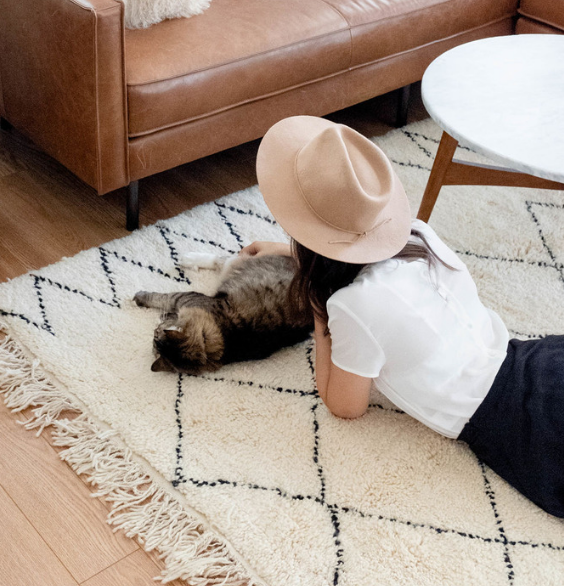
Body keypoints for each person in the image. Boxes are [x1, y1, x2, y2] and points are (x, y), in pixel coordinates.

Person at [241, 115, 564, 519]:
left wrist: (318, 304)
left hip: (520, 422)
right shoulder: (420, 235)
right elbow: (361, 257)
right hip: (536, 364)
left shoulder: (352, 306)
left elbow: (344, 405)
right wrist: (294, 254)